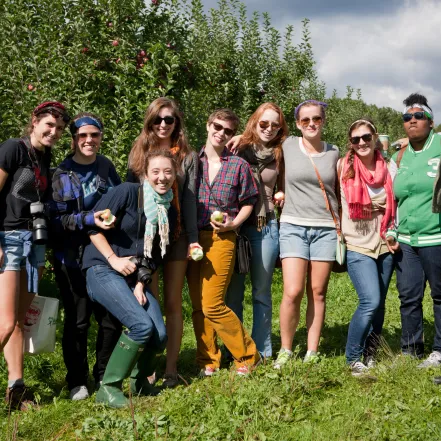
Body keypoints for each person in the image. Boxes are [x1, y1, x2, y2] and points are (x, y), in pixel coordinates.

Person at [82, 149, 179, 408]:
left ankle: (139, 382)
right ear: (145, 175)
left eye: (168, 172)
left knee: (159, 335)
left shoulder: (167, 211)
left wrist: (140, 283)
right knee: (141, 326)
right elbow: (93, 227)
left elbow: (155, 255)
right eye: (156, 172)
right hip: (102, 268)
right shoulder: (126, 192)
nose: (162, 177)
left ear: (175, 175)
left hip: (133, 277)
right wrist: (114, 259)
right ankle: (109, 387)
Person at [0, 101, 70, 409]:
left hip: (35, 244)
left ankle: (16, 389)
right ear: (34, 121)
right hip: (10, 238)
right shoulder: (13, 149)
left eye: (59, 129)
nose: (53, 132)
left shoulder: (45, 157)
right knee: (5, 323)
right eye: (49, 125)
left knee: (18, 322)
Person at [127, 97, 199, 387]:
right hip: (148, 238)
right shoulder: (138, 153)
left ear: (176, 123)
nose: (163, 124)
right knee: (151, 302)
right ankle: (148, 366)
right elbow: (132, 197)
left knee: (172, 302)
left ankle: (170, 368)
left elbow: (191, 200)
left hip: (178, 235)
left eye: (169, 119)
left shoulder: (188, 157)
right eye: (158, 119)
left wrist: (193, 239)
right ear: (150, 121)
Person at [50, 112, 122, 400]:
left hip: (104, 254)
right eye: (83, 136)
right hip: (71, 257)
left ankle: (104, 375)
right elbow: (58, 219)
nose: (89, 140)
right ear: (74, 140)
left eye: (95, 135)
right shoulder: (62, 174)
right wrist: (91, 220)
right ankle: (77, 381)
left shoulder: (106, 167)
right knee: (78, 320)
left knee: (109, 317)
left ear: (101, 137)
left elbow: (119, 200)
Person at [187, 108, 261, 376]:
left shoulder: (238, 165)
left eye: (228, 131)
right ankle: (208, 359)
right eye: (217, 127)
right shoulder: (191, 161)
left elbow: (248, 202)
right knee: (198, 305)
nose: (221, 133)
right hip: (192, 239)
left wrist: (234, 223)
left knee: (213, 304)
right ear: (208, 125)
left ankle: (248, 355)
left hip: (221, 238)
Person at [274, 100, 340, 368]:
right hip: (292, 225)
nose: (311, 124)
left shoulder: (335, 152)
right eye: (305, 120)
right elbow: (260, 136)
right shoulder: (288, 144)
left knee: (318, 291)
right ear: (298, 123)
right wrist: (242, 135)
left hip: (325, 228)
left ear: (323, 120)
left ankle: (312, 351)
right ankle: (286, 349)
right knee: (292, 291)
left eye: (316, 119)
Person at [225, 102, 288, 360]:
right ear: (255, 122)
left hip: (266, 225)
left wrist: (283, 191)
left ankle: (262, 350)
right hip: (237, 227)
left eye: (275, 125)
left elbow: (288, 182)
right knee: (233, 292)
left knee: (261, 292)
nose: (269, 129)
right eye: (264, 123)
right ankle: (236, 348)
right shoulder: (237, 147)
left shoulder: (282, 152)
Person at [386, 93, 441, 367]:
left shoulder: (440, 144)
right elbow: (393, 199)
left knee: (440, 295)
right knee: (409, 296)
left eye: (419, 116)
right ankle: (411, 350)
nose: (413, 121)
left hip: (437, 237)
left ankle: (439, 351)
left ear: (431, 122)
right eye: (407, 117)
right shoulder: (399, 156)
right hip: (406, 239)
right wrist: (393, 230)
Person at [340, 118, 396, 376]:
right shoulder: (344, 166)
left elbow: (397, 201)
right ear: (350, 143)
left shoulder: (390, 167)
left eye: (366, 137)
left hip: (385, 243)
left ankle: (371, 353)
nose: (361, 142)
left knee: (381, 302)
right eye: (355, 139)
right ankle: (352, 357)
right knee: (370, 300)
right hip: (358, 244)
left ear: (375, 137)